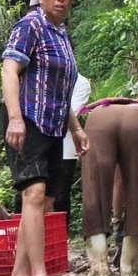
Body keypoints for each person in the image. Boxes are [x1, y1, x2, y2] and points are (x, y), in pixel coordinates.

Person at [2, 0, 88, 276]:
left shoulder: (62, 34)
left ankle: (19, 275)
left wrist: (76, 129)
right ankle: (39, 273)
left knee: (41, 197)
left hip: (54, 123)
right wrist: (15, 118)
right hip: (27, 118)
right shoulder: (31, 25)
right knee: (34, 193)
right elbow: (9, 70)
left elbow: (61, 89)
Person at [80, 96, 138, 276]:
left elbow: (118, 182)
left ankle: (99, 266)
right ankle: (129, 267)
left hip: (99, 118)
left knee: (94, 188)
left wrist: (116, 217)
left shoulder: (104, 108)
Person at [51, 74, 92, 214]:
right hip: (39, 144)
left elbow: (70, 112)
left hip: (66, 145)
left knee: (60, 194)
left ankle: (61, 227)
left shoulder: (81, 83)